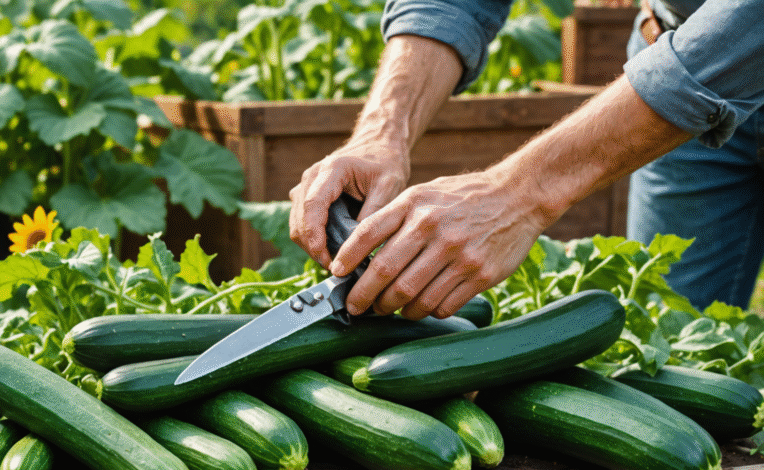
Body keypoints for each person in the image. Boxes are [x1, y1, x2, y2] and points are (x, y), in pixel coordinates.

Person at [287, 0, 764, 320]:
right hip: (671, 63)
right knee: (677, 328)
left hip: (692, 76)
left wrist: (518, 193)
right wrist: (382, 132)